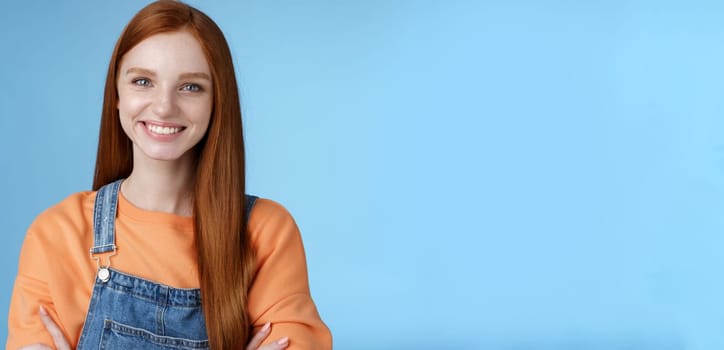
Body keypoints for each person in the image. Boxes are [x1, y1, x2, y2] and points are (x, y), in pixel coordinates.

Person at [6, 1, 332, 349]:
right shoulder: (56, 234)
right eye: (143, 81)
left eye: (190, 86)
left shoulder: (265, 233)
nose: (164, 106)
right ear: (117, 94)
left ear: (216, 101)